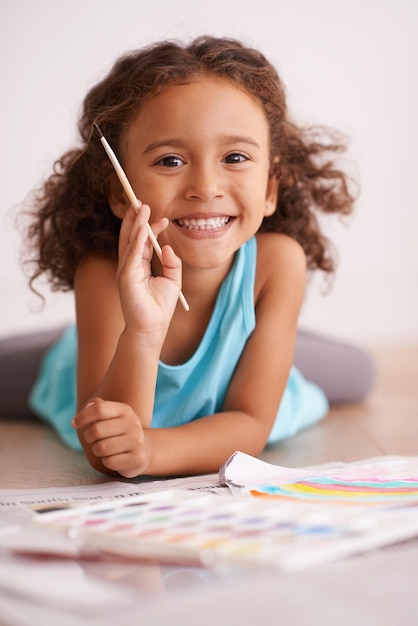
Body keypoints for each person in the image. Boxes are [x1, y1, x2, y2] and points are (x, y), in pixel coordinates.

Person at [12, 36, 374, 478]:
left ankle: (263, 338)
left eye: (235, 157)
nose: (205, 186)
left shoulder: (279, 263)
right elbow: (105, 446)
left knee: (360, 372)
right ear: (118, 192)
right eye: (170, 161)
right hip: (80, 359)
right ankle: (75, 337)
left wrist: (150, 451)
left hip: (245, 364)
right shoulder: (103, 271)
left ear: (270, 190)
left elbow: (250, 424)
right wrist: (143, 331)